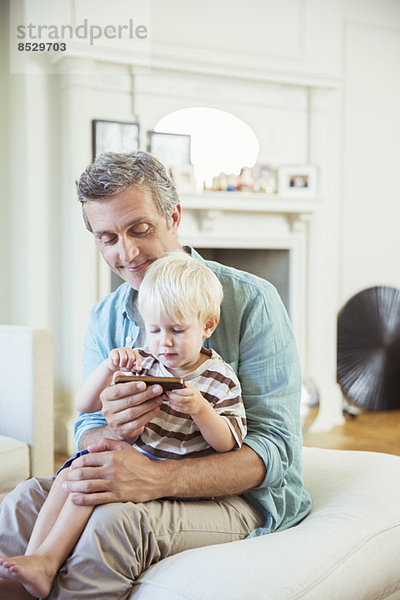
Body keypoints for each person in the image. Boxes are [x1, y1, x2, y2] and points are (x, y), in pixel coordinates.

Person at [0, 151, 311, 600]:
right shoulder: (108, 315)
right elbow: (86, 428)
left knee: (113, 523)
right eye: (107, 238)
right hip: (145, 466)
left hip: (239, 498)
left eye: (139, 230)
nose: (126, 253)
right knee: (22, 502)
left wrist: (154, 478)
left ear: (174, 216)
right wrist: (114, 426)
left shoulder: (252, 300)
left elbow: (276, 449)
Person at [0, 253, 246, 599]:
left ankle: (45, 561)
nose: (164, 342)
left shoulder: (219, 379)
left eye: (177, 330)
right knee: (74, 474)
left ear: (207, 326)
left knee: (92, 488)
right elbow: (85, 405)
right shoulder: (145, 359)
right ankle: (40, 560)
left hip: (179, 486)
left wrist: (201, 410)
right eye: (155, 329)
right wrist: (107, 368)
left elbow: (227, 443)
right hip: (130, 467)